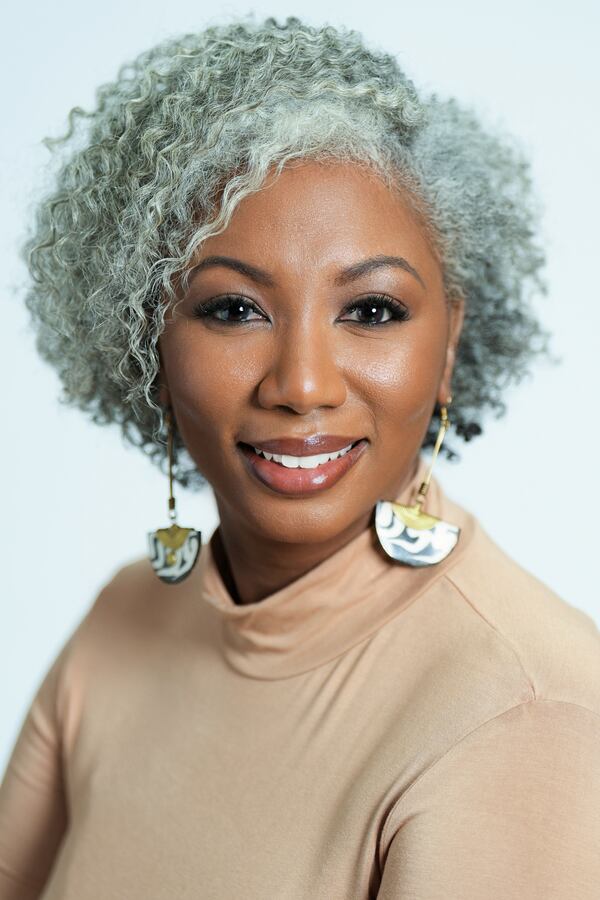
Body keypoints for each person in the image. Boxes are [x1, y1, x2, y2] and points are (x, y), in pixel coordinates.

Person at [1, 14, 599, 900]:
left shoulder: (524, 710)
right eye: (234, 309)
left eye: (372, 311)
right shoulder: (123, 623)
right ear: (147, 344)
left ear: (448, 344)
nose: (302, 385)